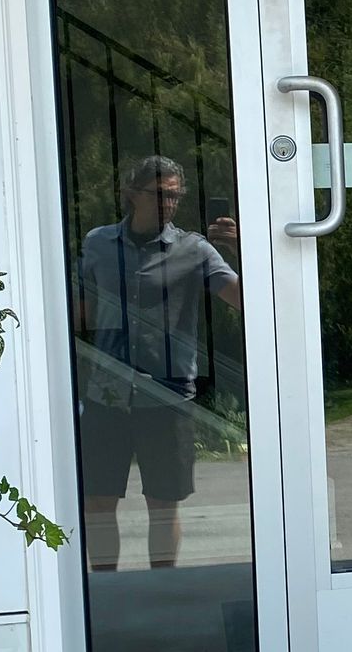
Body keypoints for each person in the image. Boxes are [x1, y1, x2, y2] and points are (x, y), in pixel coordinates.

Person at [77, 154, 241, 572]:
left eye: (175, 196)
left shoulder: (194, 249)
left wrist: (247, 248)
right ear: (131, 195)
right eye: (160, 195)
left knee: (163, 505)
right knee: (97, 502)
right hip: (105, 392)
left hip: (166, 395)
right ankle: (105, 589)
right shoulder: (97, 243)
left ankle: (162, 586)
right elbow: (83, 310)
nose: (169, 203)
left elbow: (241, 300)